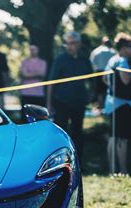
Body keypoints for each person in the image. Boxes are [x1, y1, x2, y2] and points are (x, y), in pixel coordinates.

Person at [47, 31, 92, 161]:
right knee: (61, 133)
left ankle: (78, 162)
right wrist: (49, 104)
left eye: (72, 43)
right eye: (68, 43)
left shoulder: (85, 59)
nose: (70, 46)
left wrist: (91, 95)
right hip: (62, 101)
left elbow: (91, 79)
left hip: (79, 102)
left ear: (79, 44)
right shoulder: (60, 60)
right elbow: (51, 83)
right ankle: (60, 162)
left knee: (77, 132)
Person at [104, 32, 131, 175]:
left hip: (112, 103)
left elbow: (105, 79)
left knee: (113, 136)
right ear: (123, 48)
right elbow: (126, 80)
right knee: (122, 139)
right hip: (123, 104)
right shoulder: (123, 61)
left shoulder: (112, 60)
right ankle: (123, 170)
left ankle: (112, 169)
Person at [90, 36, 116, 109]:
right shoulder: (113, 52)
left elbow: (92, 62)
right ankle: (104, 107)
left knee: (100, 92)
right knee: (107, 90)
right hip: (109, 73)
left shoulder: (96, 51)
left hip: (99, 72)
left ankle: (101, 106)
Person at [20, 45, 47, 109]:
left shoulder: (43, 62)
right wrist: (37, 73)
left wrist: (29, 73)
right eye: (31, 49)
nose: (32, 51)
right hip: (26, 94)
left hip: (39, 94)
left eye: (34, 49)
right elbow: (25, 74)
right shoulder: (24, 62)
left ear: (38, 50)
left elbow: (42, 74)